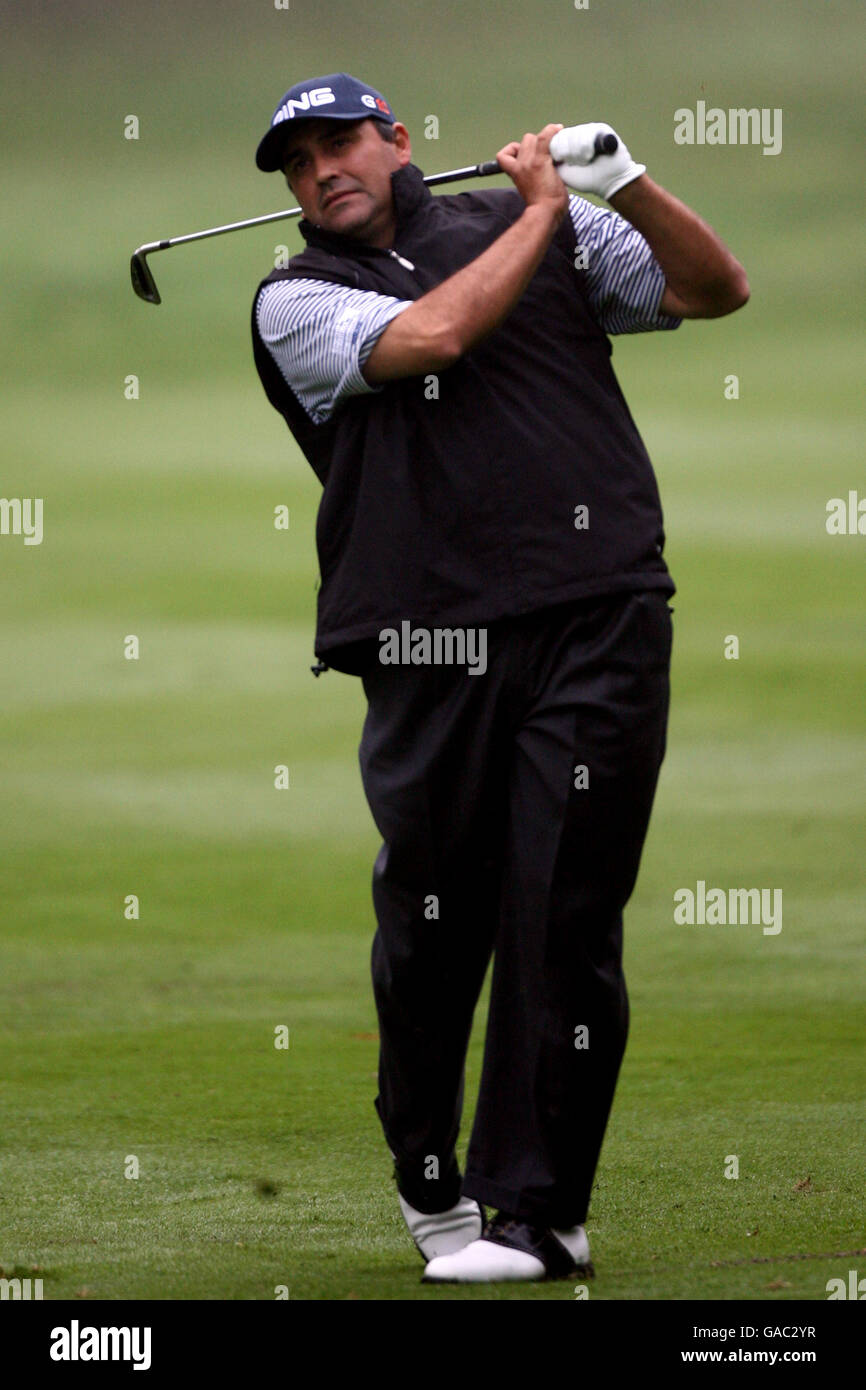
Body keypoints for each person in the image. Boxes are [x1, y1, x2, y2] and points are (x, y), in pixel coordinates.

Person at [250, 72, 748, 1284]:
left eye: (340, 145)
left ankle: (538, 1212)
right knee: (432, 920)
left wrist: (616, 179)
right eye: (297, 162)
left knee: (563, 910)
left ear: (397, 141)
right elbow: (432, 339)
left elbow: (710, 287)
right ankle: (430, 1177)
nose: (323, 172)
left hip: (598, 611)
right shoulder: (293, 296)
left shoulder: (540, 223)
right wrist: (541, 213)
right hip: (427, 641)